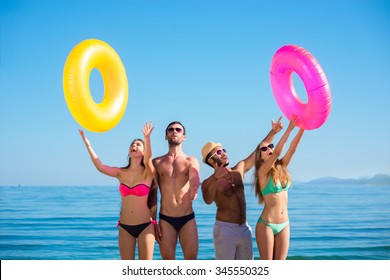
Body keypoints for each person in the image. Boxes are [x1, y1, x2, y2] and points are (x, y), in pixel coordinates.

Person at [200, 117, 283, 260]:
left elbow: (258, 151)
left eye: (223, 150)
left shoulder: (239, 169)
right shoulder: (208, 182)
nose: (224, 153)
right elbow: (208, 200)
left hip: (244, 229)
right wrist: (215, 178)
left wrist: (273, 131)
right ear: (211, 160)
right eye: (219, 152)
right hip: (225, 230)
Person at [79, 122, 157, 260]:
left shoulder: (148, 173)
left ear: (143, 151)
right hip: (125, 226)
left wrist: (147, 138)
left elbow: (149, 159)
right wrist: (88, 145)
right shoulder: (120, 173)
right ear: (129, 150)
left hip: (145, 226)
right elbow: (100, 167)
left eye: (138, 145)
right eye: (132, 144)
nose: (134, 146)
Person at [253, 115, 304, 260]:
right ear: (260, 157)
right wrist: (289, 128)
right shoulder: (262, 172)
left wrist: (303, 128)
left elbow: (292, 149)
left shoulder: (282, 167)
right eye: (264, 148)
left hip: (284, 224)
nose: (269, 148)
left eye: (270, 146)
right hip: (266, 225)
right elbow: (277, 153)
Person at [152, 121, 200, 260]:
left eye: (178, 129)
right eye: (170, 129)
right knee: (168, 262)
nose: (174, 131)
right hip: (165, 219)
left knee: (191, 261)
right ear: (166, 136)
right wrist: (153, 221)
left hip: (187, 218)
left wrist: (194, 188)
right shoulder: (157, 162)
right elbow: (153, 192)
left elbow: (194, 176)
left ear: (183, 136)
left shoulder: (191, 160)